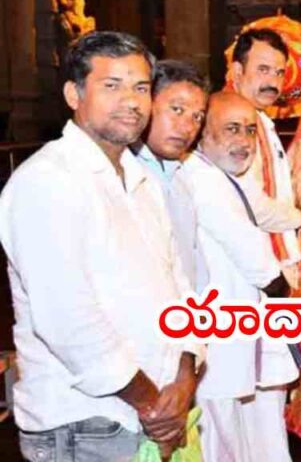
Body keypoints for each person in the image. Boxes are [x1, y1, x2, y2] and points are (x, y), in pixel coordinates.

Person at [0, 31, 200, 461]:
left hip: (156, 413)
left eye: (141, 88)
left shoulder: (142, 180)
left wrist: (186, 374)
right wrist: (153, 406)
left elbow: (179, 288)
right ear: (73, 95)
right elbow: (68, 322)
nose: (131, 101)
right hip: (85, 425)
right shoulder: (47, 181)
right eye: (112, 85)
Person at [178, 92, 298, 462]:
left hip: (237, 334)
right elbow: (256, 260)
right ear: (203, 134)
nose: (244, 141)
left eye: (249, 130)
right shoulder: (202, 179)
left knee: (252, 438)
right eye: (231, 129)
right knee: (224, 443)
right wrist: (282, 287)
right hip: (220, 341)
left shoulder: (219, 175)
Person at [228, 28, 301, 288]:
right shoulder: (232, 122)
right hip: (250, 272)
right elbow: (249, 205)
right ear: (238, 71)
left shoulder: (260, 118)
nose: (273, 82)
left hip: (267, 267)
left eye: (279, 72)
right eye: (263, 70)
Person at [134, 59, 210, 286]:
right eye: (177, 110)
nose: (188, 127)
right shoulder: (124, 175)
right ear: (146, 104)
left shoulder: (181, 174)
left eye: (197, 117)